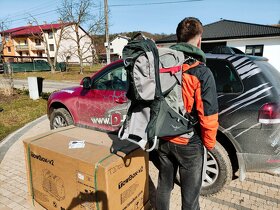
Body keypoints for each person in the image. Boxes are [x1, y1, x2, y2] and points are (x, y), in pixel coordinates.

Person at [155, 17, 219, 210]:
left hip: (163, 137)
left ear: (178, 38)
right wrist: (208, 145)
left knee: (164, 186)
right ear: (199, 40)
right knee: (190, 199)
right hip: (189, 143)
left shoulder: (162, 67)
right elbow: (208, 117)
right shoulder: (201, 72)